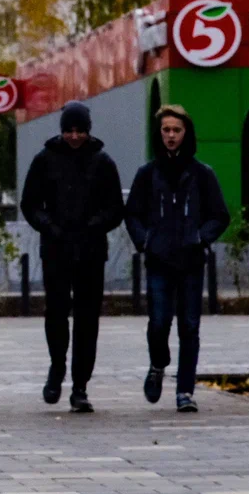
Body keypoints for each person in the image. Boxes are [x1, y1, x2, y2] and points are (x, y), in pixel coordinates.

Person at [20, 101, 125, 414]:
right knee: (56, 312)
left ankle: (80, 385)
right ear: (62, 130)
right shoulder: (45, 160)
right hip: (56, 247)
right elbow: (30, 204)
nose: (75, 136)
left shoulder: (102, 162)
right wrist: (50, 227)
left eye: (80, 130)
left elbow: (115, 208)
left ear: (88, 131)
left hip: (91, 250)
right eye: (69, 130)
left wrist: (92, 226)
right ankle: (57, 367)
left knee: (87, 318)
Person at [125, 104, 230, 413]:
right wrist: (146, 240)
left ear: (186, 133)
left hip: (191, 261)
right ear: (159, 134)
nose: (171, 135)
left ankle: (185, 391)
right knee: (158, 323)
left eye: (176, 130)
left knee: (189, 326)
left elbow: (219, 215)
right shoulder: (147, 174)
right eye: (166, 130)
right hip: (158, 260)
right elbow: (131, 213)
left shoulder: (201, 174)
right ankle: (158, 364)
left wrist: (200, 238)